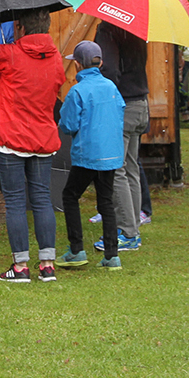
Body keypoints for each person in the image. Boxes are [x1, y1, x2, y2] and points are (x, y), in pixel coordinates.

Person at [0, 8, 66, 283]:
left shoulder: (10, 55)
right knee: (42, 199)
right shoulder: (56, 59)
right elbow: (56, 85)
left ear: (21, 28)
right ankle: (47, 265)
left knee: (14, 201)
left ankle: (21, 267)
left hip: (11, 139)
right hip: (43, 139)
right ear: (46, 26)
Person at [56, 41, 126, 272]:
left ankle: (76, 250)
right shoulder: (111, 87)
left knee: (70, 196)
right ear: (101, 62)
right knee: (106, 202)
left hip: (87, 155)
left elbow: (68, 124)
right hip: (110, 155)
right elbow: (120, 111)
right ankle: (112, 255)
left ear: (77, 64)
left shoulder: (77, 91)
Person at [94, 20, 146, 253]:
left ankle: (127, 233)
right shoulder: (137, 26)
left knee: (116, 170)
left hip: (122, 104)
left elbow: (111, 70)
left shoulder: (108, 28)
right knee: (131, 168)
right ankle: (133, 227)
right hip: (140, 103)